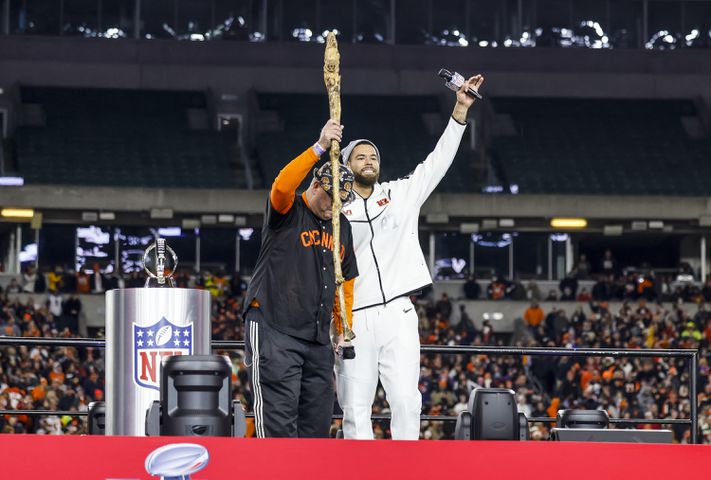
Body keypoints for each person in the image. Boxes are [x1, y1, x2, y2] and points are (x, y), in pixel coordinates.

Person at [336, 73, 484, 439]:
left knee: (406, 400)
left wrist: (460, 111)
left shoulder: (400, 194)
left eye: (373, 156)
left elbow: (437, 162)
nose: (368, 161)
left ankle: (406, 470)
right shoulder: (334, 210)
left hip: (398, 313)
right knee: (355, 410)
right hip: (351, 319)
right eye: (359, 157)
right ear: (346, 166)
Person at [243, 119, 358, 438]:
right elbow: (281, 184)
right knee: (277, 423)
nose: (333, 208)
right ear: (317, 185)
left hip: (317, 338)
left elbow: (345, 280)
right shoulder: (288, 210)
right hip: (274, 326)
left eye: (341, 204)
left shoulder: (341, 226)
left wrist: (344, 327)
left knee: (316, 426)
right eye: (330, 200)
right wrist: (319, 146)